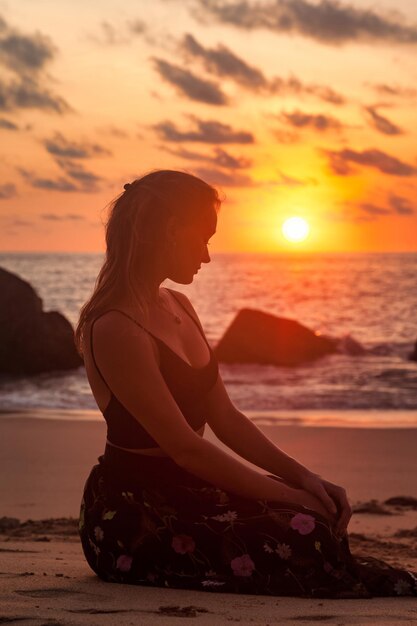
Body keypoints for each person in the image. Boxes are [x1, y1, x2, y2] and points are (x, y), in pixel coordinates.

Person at [75, 170, 416, 597]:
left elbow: (225, 417)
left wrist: (304, 480)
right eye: (204, 238)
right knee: (304, 531)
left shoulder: (178, 304)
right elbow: (185, 448)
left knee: (317, 522)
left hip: (191, 488)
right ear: (169, 231)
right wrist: (290, 499)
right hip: (136, 512)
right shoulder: (116, 328)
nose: (207, 256)